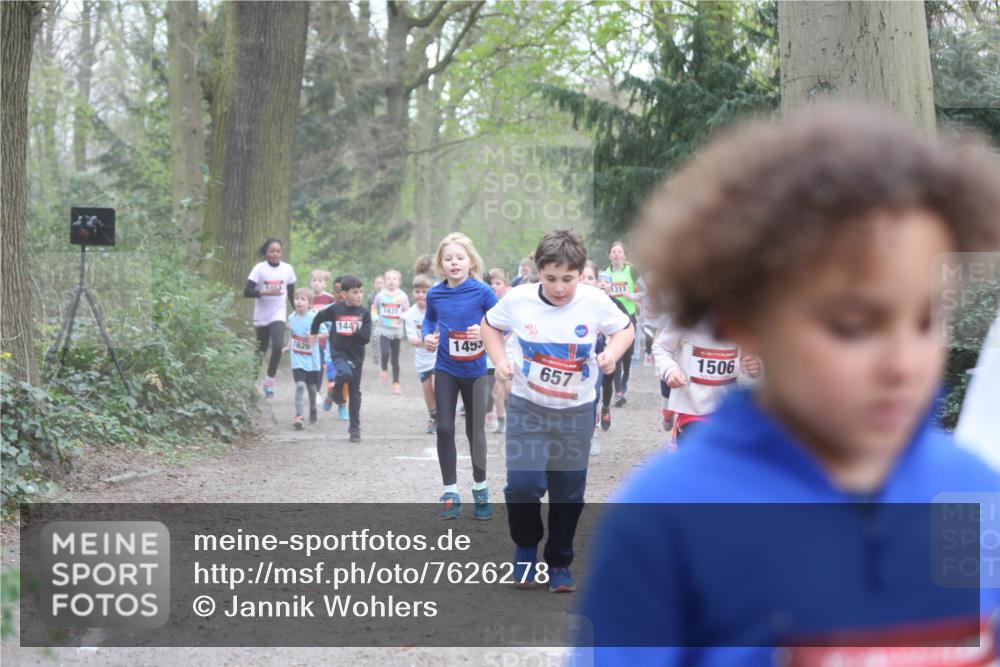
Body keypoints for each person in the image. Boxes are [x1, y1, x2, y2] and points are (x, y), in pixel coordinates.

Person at [577, 107, 1000, 663]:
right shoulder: (666, 522)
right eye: (853, 324)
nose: (904, 362)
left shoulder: (970, 491)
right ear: (743, 319)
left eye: (925, 320)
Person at [483, 229, 633, 593]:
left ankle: (560, 561)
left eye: (568, 279)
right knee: (523, 485)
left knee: (568, 491)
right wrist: (500, 360)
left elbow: (625, 329)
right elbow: (489, 326)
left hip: (575, 412)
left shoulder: (594, 301)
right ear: (537, 271)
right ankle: (525, 549)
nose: (560, 287)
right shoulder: (518, 299)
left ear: (581, 274)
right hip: (527, 408)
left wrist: (610, 354)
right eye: (551, 278)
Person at [422, 232, 498, 520]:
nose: (454, 263)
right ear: (441, 264)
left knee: (474, 432)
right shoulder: (435, 293)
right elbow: (429, 319)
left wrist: (486, 331)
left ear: (471, 261)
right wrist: (428, 335)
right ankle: (450, 491)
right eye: (448, 258)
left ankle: (480, 488)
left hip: (477, 372)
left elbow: (501, 322)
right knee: (444, 427)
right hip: (446, 368)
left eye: (460, 258)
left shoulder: (483, 292)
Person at [653, 318, 760, 445]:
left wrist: (755, 365)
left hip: (727, 408)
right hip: (692, 406)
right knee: (703, 449)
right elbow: (661, 347)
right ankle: (670, 417)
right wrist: (670, 370)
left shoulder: (740, 319)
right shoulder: (687, 316)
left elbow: (750, 355)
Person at [310, 275, 371, 443]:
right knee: (344, 373)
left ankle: (354, 429)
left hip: (357, 357)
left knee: (355, 393)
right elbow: (319, 317)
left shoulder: (364, 313)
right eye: (355, 292)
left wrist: (355, 330)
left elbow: (366, 338)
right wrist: (313, 332)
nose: (359, 295)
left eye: (361, 292)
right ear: (344, 294)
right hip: (339, 353)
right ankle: (337, 391)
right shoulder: (336, 309)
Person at [245, 238, 296, 398]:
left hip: (278, 314)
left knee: (278, 345)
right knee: (261, 349)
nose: (275, 254)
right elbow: (247, 292)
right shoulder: (259, 269)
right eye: (271, 251)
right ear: (266, 253)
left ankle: (269, 380)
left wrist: (298, 314)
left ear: (281, 253)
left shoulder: (287, 269)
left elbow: (292, 294)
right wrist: (263, 292)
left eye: (278, 251)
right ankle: (252, 383)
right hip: (262, 315)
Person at [605, 241, 645, 406]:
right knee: (617, 356)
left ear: (624, 255)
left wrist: (632, 297)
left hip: (629, 317)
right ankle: (618, 392)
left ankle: (623, 383)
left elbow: (647, 290)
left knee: (627, 358)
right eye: (613, 252)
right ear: (609, 255)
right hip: (612, 319)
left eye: (619, 252)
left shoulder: (632, 271)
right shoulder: (605, 273)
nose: (616, 254)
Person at [403, 273, 438, 434]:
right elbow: (411, 339)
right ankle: (433, 416)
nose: (421, 295)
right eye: (417, 291)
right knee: (427, 388)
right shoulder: (410, 314)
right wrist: (427, 340)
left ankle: (444, 415)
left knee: (437, 385)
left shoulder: (438, 309)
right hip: (423, 358)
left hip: (439, 356)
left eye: (425, 291)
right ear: (413, 292)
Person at [285, 288, 321, 429]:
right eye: (296, 298)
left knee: (311, 388)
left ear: (310, 303)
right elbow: (292, 334)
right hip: (297, 357)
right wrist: (288, 345)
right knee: (300, 385)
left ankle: (313, 408)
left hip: (311, 359)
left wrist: (313, 334)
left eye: (303, 299)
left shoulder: (314, 317)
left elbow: (325, 334)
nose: (298, 301)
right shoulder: (291, 317)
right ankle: (299, 416)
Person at [374, 269, 410, 394]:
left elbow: (407, 310)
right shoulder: (380, 295)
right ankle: (384, 369)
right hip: (383, 329)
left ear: (399, 282)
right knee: (384, 353)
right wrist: (375, 317)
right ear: (384, 281)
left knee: (395, 359)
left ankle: (396, 383)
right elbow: (374, 308)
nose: (391, 281)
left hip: (397, 330)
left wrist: (403, 316)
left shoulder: (402, 295)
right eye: (388, 279)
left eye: (394, 279)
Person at [486, 268, 512, 434]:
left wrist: (505, 338)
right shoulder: (488, 303)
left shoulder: (510, 302)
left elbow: (515, 326)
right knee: (496, 391)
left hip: (511, 351)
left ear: (506, 285)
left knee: (508, 390)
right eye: (491, 283)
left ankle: (513, 419)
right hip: (496, 353)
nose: (494, 286)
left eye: (498, 283)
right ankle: (502, 421)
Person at [309, 270, 336, 405]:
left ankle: (317, 392)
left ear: (325, 284)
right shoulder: (307, 297)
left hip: (326, 336)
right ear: (310, 282)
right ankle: (311, 388)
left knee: (320, 364)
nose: (317, 283)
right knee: (312, 364)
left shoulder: (330, 299)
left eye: (320, 281)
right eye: (314, 280)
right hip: (312, 335)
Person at [369, 274, 385, 364]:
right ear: (374, 285)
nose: (379, 285)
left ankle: (385, 355)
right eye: (377, 283)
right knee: (375, 337)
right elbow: (371, 309)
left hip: (387, 320)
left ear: (384, 284)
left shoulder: (388, 295)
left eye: (381, 283)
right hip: (375, 319)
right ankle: (376, 357)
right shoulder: (370, 297)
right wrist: (374, 319)